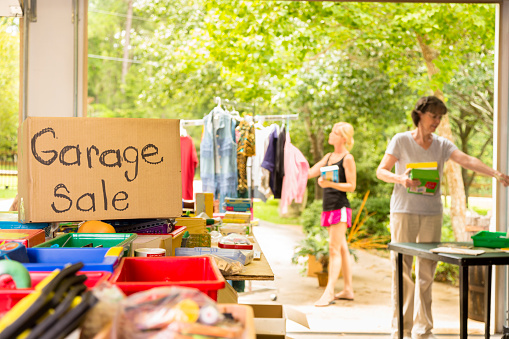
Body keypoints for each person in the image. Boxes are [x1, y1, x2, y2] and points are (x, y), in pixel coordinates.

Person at [376, 96, 509, 339]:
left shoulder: (442, 144)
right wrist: (401, 179)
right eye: (433, 116)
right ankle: (401, 329)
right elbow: (381, 171)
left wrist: (495, 173)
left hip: (432, 213)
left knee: (427, 271)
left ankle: (423, 329)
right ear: (420, 115)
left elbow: (467, 160)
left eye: (440, 117)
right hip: (404, 210)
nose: (437, 121)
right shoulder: (401, 140)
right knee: (402, 269)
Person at [308, 122, 356, 307]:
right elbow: (311, 172)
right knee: (342, 249)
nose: (330, 134)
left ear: (343, 138)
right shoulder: (328, 157)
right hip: (329, 208)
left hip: (340, 208)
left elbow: (351, 186)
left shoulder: (347, 158)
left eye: (334, 133)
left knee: (334, 250)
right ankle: (348, 290)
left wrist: (329, 185)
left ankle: (329, 293)